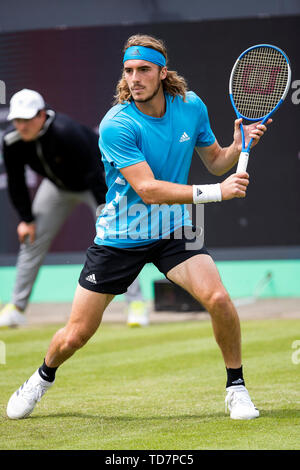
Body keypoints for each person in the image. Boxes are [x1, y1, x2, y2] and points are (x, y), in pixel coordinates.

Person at [6, 35, 271, 421]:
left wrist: (238, 146)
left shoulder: (191, 106)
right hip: (120, 237)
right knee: (76, 335)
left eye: (144, 70)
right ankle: (41, 378)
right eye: (129, 71)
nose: (135, 78)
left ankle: (236, 388)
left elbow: (216, 162)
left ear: (163, 73)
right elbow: (148, 190)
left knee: (217, 299)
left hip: (173, 231)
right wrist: (219, 192)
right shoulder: (116, 124)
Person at [0, 88, 147, 329]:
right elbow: (16, 181)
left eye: (27, 120)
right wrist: (26, 219)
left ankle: (136, 305)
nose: (22, 126)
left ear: (41, 115)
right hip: (57, 187)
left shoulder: (67, 133)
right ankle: (16, 307)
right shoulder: (12, 141)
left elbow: (95, 173)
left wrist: (108, 210)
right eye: (17, 120)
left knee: (118, 240)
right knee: (31, 237)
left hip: (96, 184)